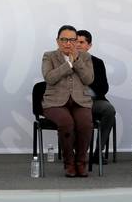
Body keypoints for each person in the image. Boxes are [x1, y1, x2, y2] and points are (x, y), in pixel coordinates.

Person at [42, 25, 94, 177]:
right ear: (57, 41)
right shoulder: (49, 56)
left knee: (85, 123)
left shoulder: (85, 57)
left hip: (80, 101)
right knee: (66, 123)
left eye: (72, 40)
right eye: (64, 39)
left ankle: (81, 162)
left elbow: (88, 79)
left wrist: (77, 60)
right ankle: (69, 163)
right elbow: (50, 78)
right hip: (55, 102)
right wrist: (69, 64)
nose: (68, 43)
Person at [76, 30, 116, 165]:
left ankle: (98, 151)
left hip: (93, 100)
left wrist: (87, 80)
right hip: (73, 101)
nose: (78, 45)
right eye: (76, 41)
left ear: (89, 45)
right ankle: (76, 153)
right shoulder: (67, 61)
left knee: (109, 109)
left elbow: (103, 88)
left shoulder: (97, 63)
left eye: (81, 42)